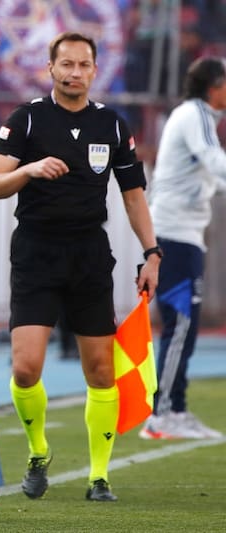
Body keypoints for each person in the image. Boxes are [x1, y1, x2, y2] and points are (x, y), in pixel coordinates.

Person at [0, 32, 161, 502]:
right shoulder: (27, 119)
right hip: (36, 251)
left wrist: (152, 253)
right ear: (51, 67)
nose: (75, 72)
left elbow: (133, 197)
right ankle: (38, 451)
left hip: (88, 255)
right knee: (25, 367)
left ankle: (99, 476)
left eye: (84, 65)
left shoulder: (114, 127)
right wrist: (29, 170)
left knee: (101, 371)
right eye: (67, 64)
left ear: (94, 71)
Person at [140, 56, 226, 440]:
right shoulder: (196, 115)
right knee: (179, 327)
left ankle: (176, 407)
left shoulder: (200, 117)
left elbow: (210, 174)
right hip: (173, 233)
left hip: (182, 233)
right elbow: (214, 160)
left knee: (184, 328)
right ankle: (162, 414)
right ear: (213, 86)